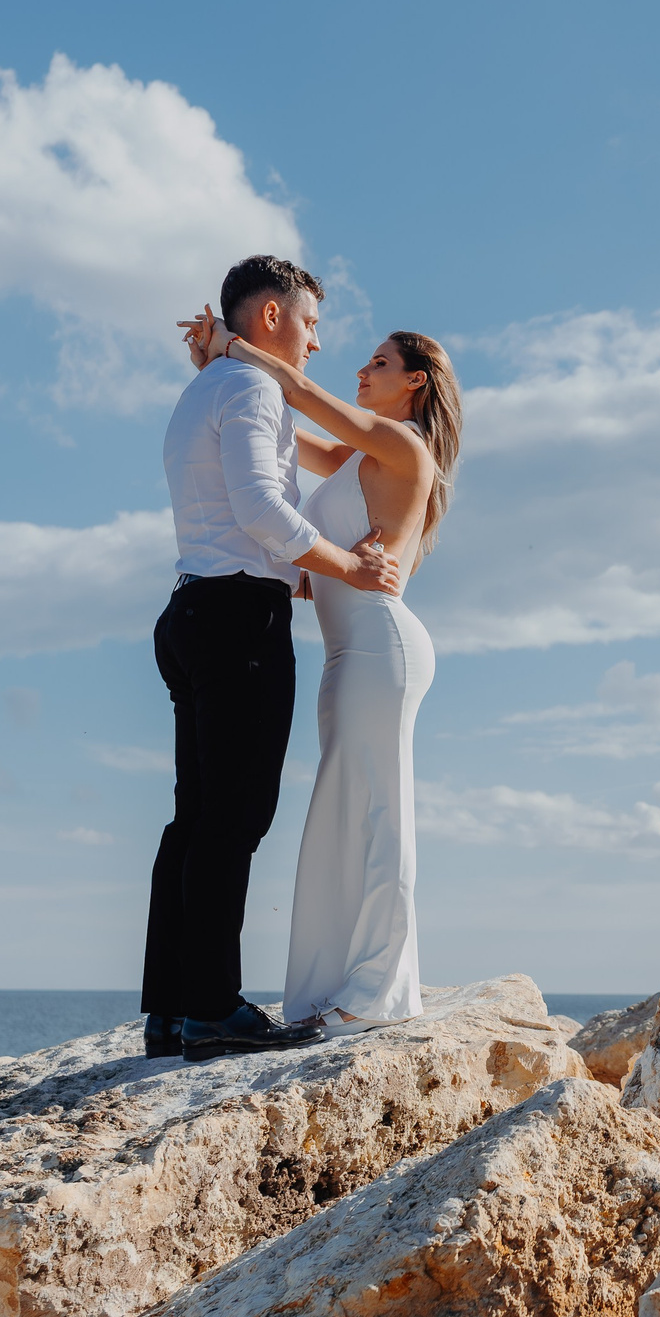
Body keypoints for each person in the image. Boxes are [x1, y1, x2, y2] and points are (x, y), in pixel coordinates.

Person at [146, 255, 400, 1062]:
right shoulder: (253, 388)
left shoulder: (203, 390)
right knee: (234, 819)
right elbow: (261, 506)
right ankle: (214, 1009)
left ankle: (173, 1007)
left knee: (194, 818)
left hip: (191, 608)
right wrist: (347, 566)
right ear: (270, 319)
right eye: (312, 323)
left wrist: (296, 567)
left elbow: (241, 508)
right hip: (233, 619)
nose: (318, 342)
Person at [181, 307, 461, 1033]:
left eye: (378, 365)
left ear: (415, 385)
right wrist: (220, 373)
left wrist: (231, 345)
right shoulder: (360, 463)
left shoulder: (403, 445)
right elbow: (282, 432)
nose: (362, 371)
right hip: (348, 654)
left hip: (381, 648)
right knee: (344, 815)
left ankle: (377, 993)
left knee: (379, 811)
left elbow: (303, 397)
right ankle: (337, 984)